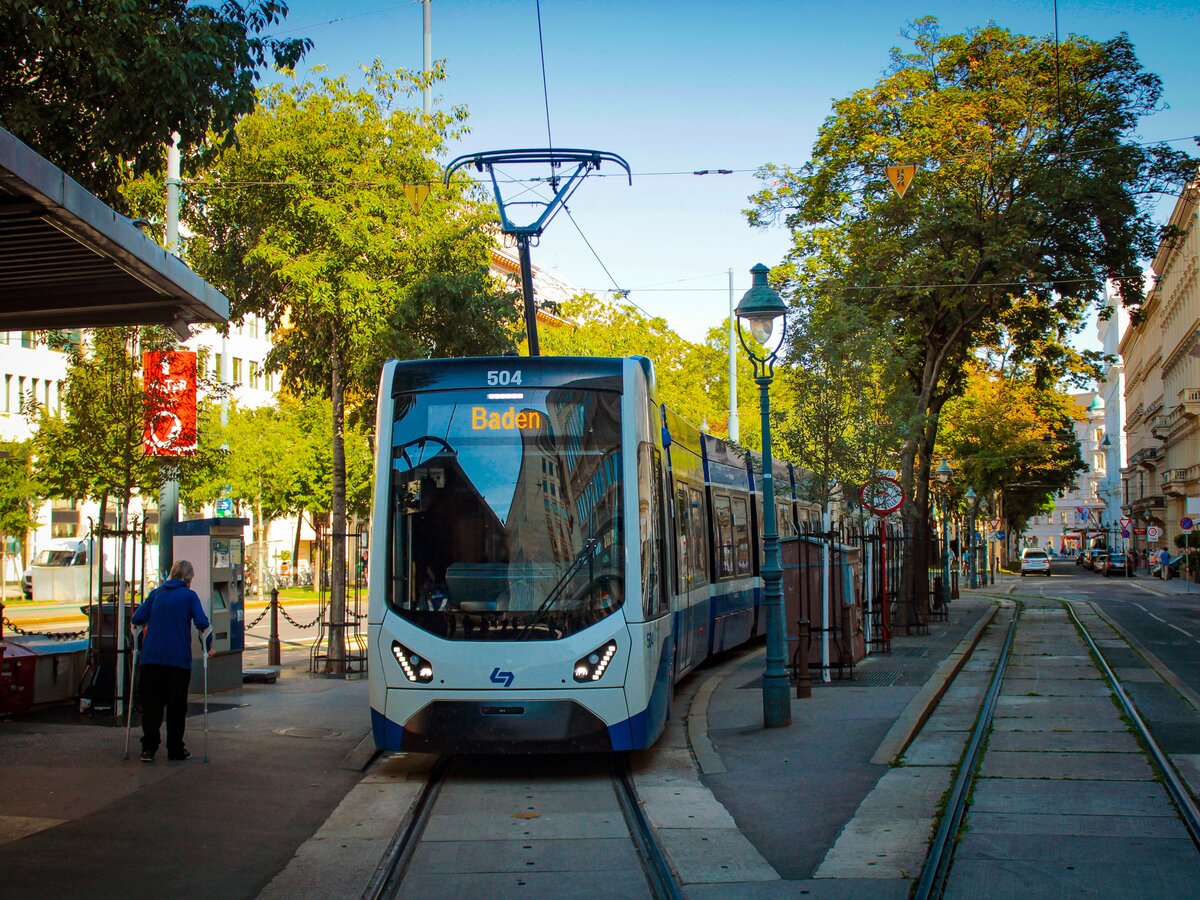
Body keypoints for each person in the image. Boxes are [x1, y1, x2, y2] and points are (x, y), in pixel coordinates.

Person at [132, 559, 213, 762]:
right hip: (178, 660)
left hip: (151, 658)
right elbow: (202, 622)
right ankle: (175, 749)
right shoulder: (189, 596)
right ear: (189, 578)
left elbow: (137, 618)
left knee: (152, 706)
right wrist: (208, 646)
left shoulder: (157, 593)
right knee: (176, 707)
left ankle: (148, 748)